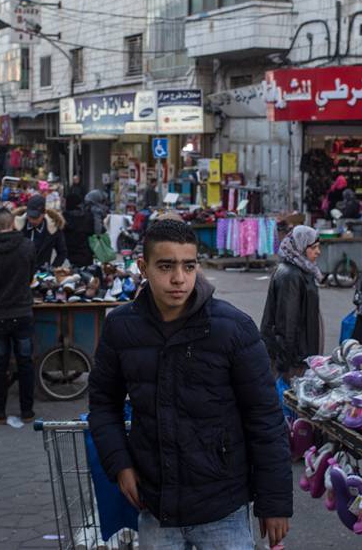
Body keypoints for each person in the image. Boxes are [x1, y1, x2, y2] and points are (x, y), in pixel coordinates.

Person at [88, 220, 292, 550]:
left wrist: (275, 502)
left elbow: (266, 418)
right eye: (166, 266)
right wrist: (120, 465)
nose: (178, 278)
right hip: (156, 508)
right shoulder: (120, 328)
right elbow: (102, 404)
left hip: (224, 508)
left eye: (188, 265)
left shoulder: (234, 328)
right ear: (143, 267)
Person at [0, 209, 37, 423]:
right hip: (22, 312)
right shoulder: (27, 246)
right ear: (13, 224)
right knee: (25, 362)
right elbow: (31, 274)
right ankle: (27, 410)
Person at [260, 226, 323, 379]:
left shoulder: (302, 269)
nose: (318, 252)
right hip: (293, 358)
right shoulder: (290, 275)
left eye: (318, 247)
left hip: (300, 353)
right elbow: (286, 324)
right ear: (300, 247)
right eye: (313, 247)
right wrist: (284, 367)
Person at [23, 194, 67, 268]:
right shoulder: (18, 226)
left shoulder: (53, 228)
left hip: (42, 274)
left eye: (36, 217)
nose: (32, 220)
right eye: (30, 216)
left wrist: (52, 269)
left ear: (43, 214)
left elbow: (62, 252)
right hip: (20, 273)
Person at [63, 193, 95, 267]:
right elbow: (92, 232)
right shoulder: (88, 216)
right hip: (86, 254)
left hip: (69, 254)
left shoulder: (64, 217)